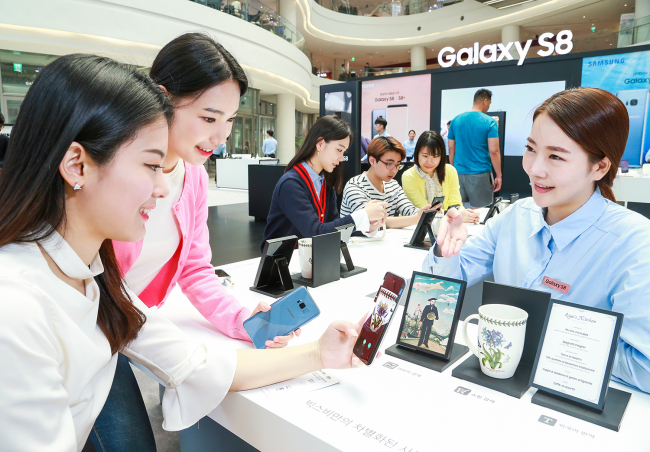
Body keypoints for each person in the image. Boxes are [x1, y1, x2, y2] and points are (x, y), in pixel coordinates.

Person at [0, 53, 365, 452]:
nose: (161, 189)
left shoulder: (96, 279)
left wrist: (318, 353)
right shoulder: (18, 308)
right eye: (150, 166)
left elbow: (195, 362)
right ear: (77, 165)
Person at [95, 33, 298, 451]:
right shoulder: (112, 166)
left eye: (229, 120)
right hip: (92, 328)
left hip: (127, 323)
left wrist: (240, 318)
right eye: (209, 118)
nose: (221, 135)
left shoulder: (193, 177)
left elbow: (195, 269)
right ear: (163, 99)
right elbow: (98, 281)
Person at [424, 87, 650, 394]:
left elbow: (644, 367)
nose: (535, 168)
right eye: (531, 149)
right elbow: (444, 285)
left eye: (555, 156)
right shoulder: (516, 216)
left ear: (600, 166)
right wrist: (446, 249)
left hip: (569, 405)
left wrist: (560, 347)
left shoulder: (634, 242)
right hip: (493, 386)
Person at [262, 115, 386, 247]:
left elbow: (331, 228)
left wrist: (366, 228)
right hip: (284, 262)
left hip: (313, 259)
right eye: (339, 150)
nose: (341, 158)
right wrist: (362, 215)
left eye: (343, 152)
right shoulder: (291, 184)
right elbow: (314, 232)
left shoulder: (325, 182)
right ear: (320, 144)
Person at [341, 136, 431, 231]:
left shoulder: (393, 185)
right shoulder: (355, 186)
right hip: (355, 243)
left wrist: (427, 213)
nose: (394, 170)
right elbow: (372, 221)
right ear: (372, 161)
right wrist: (416, 218)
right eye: (389, 164)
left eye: (398, 165)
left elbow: (409, 210)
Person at [402, 131, 480, 223]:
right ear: (417, 153)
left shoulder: (450, 171)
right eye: (425, 156)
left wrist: (465, 213)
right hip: (416, 227)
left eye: (435, 156)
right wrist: (457, 215)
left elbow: (455, 203)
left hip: (447, 225)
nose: (430, 161)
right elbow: (426, 211)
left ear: (441, 156)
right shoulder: (409, 176)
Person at [448, 88, 501, 207]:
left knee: (457, 212)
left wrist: (453, 170)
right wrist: (499, 175)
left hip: (458, 173)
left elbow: (451, 149)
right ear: (485, 101)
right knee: (480, 213)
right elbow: (494, 151)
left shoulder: (455, 120)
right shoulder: (489, 121)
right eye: (489, 104)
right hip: (480, 173)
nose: (488, 108)